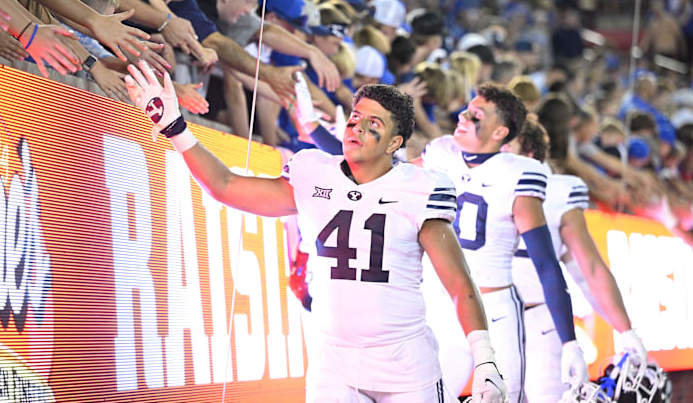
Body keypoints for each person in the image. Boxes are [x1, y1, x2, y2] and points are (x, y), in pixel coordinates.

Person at [124, 60, 508, 403]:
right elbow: (225, 186)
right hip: (334, 360)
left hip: (404, 361)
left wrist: (486, 358)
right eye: (355, 118)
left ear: (395, 143)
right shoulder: (313, 171)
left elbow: (460, 283)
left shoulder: (421, 188)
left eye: (374, 124)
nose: (357, 127)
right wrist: (175, 129)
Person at [414, 83, 587, 402]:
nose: (463, 116)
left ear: (499, 132)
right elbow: (385, 180)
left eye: (476, 114)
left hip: (494, 314)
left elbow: (547, 264)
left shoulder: (519, 173)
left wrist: (569, 342)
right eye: (466, 109)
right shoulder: (440, 152)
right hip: (442, 305)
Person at [503, 118, 647, 402]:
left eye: (509, 144)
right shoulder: (472, 179)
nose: (500, 151)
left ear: (529, 151)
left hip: (538, 318)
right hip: (485, 319)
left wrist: (625, 329)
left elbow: (588, 268)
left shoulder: (556, 191)